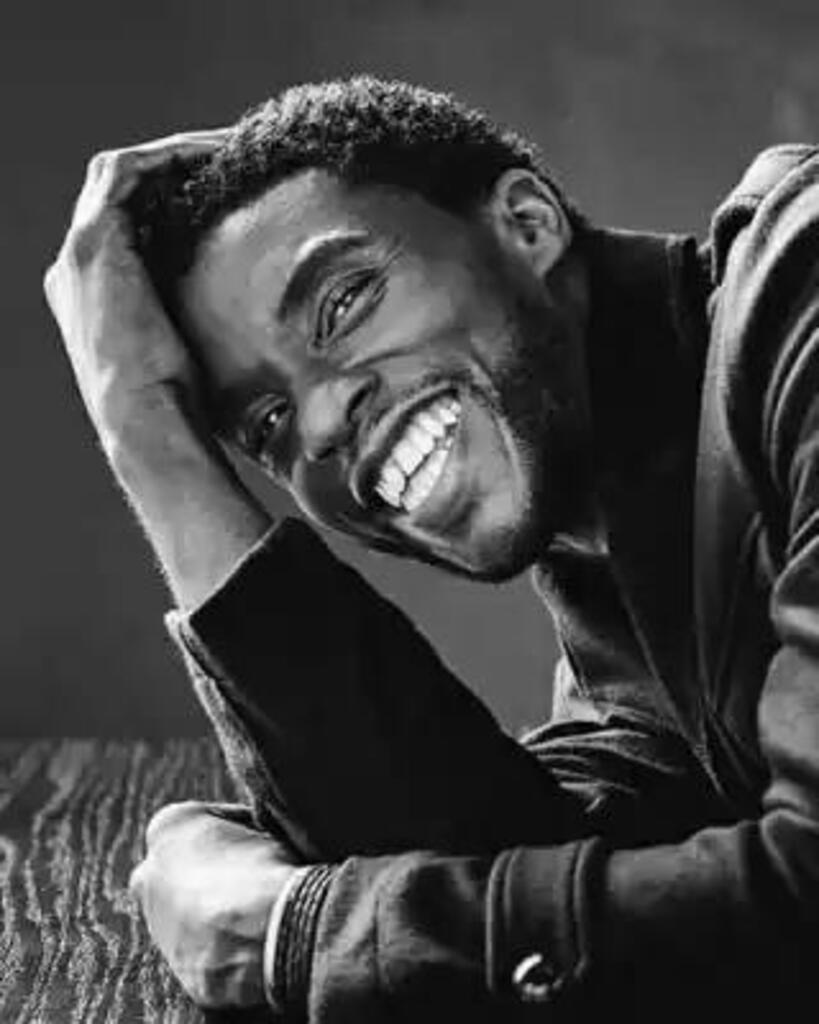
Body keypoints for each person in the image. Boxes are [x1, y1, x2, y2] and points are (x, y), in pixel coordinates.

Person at [43, 76, 819, 1021]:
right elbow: (493, 881)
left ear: (526, 224)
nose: (320, 425)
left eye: (343, 301)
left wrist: (297, 933)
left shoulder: (803, 286)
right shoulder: (628, 637)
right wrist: (149, 439)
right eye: (268, 424)